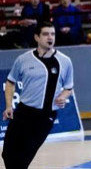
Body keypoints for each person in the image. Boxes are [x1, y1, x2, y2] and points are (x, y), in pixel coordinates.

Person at [2, 22, 74, 169]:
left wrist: (63, 96)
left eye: (53, 34)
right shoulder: (23, 59)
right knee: (8, 154)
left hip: (44, 116)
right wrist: (9, 106)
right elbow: (10, 82)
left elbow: (69, 87)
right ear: (37, 37)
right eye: (46, 34)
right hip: (23, 112)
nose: (50, 37)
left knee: (23, 157)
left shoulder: (65, 61)